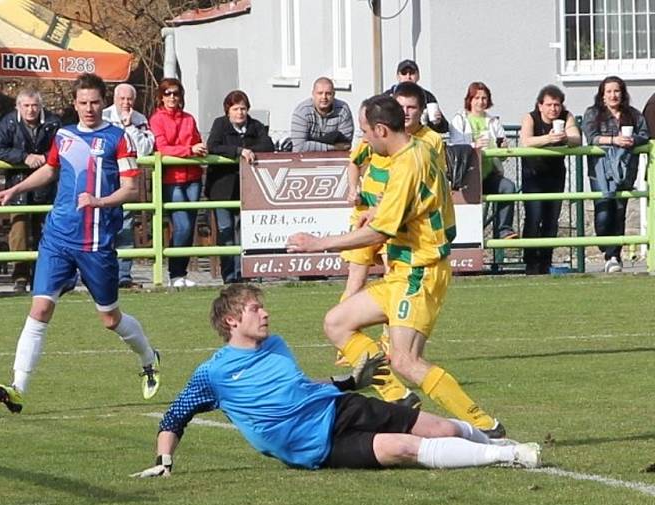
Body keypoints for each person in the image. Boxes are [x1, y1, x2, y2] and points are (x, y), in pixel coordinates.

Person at [132, 284, 540, 476]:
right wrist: (163, 462)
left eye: (264, 308)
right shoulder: (213, 372)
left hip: (340, 406)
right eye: (256, 309)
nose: (266, 315)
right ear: (231, 320)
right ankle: (510, 456)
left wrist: (350, 382)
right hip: (316, 446)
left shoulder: (276, 344)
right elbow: (175, 416)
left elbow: (302, 390)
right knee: (404, 448)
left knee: (444, 427)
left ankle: (498, 442)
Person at [287, 94, 507, 438]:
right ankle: (399, 397)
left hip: (420, 270)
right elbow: (419, 202)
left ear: (381, 130)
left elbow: (379, 232)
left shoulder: (407, 163)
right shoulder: (418, 148)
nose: (363, 139)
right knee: (336, 322)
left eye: (365, 132)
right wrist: (381, 210)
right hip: (402, 271)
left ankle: (484, 424)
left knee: (405, 360)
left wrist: (318, 243)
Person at [0, 74, 162, 413]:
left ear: (104, 103)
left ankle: (148, 358)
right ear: (74, 104)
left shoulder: (119, 138)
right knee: (40, 309)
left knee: (110, 319)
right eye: (82, 102)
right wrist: (16, 189)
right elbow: (51, 170)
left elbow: (131, 189)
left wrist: (99, 202)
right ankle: (18, 388)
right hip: (58, 238)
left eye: (95, 102)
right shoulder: (64, 135)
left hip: (96, 242)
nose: (88, 108)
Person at [338, 81, 448, 407]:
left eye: (411, 106)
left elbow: (424, 190)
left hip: (402, 236)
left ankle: (483, 424)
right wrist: (361, 195)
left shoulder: (427, 145)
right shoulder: (382, 143)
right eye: (402, 105)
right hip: (374, 216)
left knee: (404, 345)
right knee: (351, 292)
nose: (407, 111)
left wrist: (318, 243)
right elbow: (355, 161)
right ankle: (360, 356)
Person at [0, 88, 62, 293]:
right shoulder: (9, 123)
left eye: (34, 106)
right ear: (18, 107)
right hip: (18, 185)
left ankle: (45, 275)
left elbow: (62, 147)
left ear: (40, 106)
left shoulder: (53, 122)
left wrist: (45, 157)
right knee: (19, 233)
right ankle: (20, 277)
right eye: (26, 106)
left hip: (46, 185)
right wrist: (24, 157)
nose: (31, 110)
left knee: (46, 232)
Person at [582, 76, 649, 273]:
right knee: (603, 213)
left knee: (619, 213)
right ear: (602, 95)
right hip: (600, 171)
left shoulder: (634, 115)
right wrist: (614, 140)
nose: (613, 95)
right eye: (609, 91)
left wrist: (631, 140)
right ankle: (605, 244)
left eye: (617, 91)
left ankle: (613, 256)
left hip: (625, 170)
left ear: (623, 93)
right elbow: (591, 137)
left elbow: (644, 135)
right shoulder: (592, 113)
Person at [206, 90, 274, 284]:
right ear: (228, 110)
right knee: (226, 229)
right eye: (236, 109)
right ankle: (229, 275)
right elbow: (213, 146)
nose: (240, 113)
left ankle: (245, 273)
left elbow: (268, 146)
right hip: (222, 187)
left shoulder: (256, 126)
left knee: (244, 230)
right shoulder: (220, 124)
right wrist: (238, 151)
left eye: (243, 108)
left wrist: (250, 151)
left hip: (248, 189)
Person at [149, 78, 206, 288]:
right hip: (171, 179)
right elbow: (161, 148)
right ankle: (174, 274)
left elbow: (197, 141)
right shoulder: (156, 119)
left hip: (193, 177)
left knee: (189, 227)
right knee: (181, 225)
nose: (172, 97)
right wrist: (189, 150)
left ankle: (179, 275)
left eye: (175, 93)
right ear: (161, 97)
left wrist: (200, 148)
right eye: (167, 93)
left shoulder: (189, 119)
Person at [519, 85, 582, 275]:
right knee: (533, 217)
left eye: (557, 105)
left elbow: (577, 139)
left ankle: (545, 261)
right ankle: (530, 262)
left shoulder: (567, 116)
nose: (553, 109)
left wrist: (564, 138)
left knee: (551, 220)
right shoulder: (530, 117)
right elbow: (527, 141)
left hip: (555, 175)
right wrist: (549, 138)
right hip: (533, 175)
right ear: (540, 105)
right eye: (549, 104)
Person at [449, 82, 518, 240]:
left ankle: (503, 230)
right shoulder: (459, 120)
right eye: (477, 98)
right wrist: (474, 145)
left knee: (508, 187)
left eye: (484, 98)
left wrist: (503, 149)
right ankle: (466, 241)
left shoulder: (493, 121)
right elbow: (456, 147)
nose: (481, 102)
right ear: (470, 100)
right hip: (466, 177)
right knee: (470, 215)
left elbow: (502, 155)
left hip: (488, 173)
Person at [103, 83, 155, 289]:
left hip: (128, 178)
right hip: (106, 177)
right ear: (114, 99)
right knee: (102, 227)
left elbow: (145, 150)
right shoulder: (103, 116)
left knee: (125, 226)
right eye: (122, 99)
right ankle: (102, 274)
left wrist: (128, 126)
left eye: (129, 99)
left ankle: (123, 275)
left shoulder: (140, 119)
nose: (126, 103)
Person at [290, 77, 354, 152]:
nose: (324, 97)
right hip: (305, 160)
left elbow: (345, 145)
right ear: (313, 94)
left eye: (328, 93)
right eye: (320, 93)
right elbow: (299, 147)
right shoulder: (302, 112)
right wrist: (333, 147)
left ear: (334, 94)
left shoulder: (343, 110)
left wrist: (311, 144)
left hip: (334, 159)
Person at [385, 59, 449, 134]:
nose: (408, 77)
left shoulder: (427, 96)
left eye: (412, 73)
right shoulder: (387, 97)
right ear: (398, 76)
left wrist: (438, 122)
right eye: (404, 73)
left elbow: (444, 128)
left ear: (418, 76)